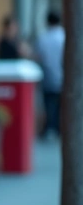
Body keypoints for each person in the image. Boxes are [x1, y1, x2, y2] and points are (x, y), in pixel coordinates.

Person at [35, 10, 65, 139]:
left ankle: (49, 129)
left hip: (47, 76)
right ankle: (58, 129)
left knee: (48, 105)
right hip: (63, 77)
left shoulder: (43, 38)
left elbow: (38, 56)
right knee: (61, 105)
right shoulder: (64, 36)